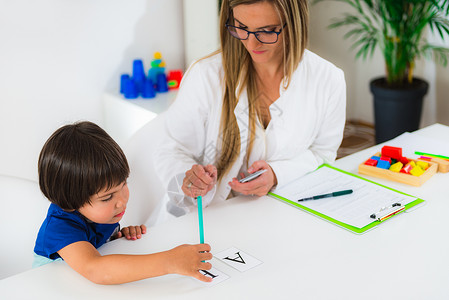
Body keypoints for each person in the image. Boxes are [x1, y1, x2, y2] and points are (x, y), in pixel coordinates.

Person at [155, 0, 346, 217]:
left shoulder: (328, 80)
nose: (252, 44)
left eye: (267, 31)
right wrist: (189, 179)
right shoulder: (206, 76)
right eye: (242, 27)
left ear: (294, 22)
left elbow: (323, 154)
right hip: (206, 219)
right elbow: (170, 150)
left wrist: (277, 174)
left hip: (279, 216)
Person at [34, 121, 212, 284]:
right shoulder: (59, 227)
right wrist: (170, 261)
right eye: (107, 197)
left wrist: (115, 238)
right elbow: (96, 270)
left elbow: (95, 247)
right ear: (70, 203)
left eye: (123, 184)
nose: (122, 201)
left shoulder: (99, 212)